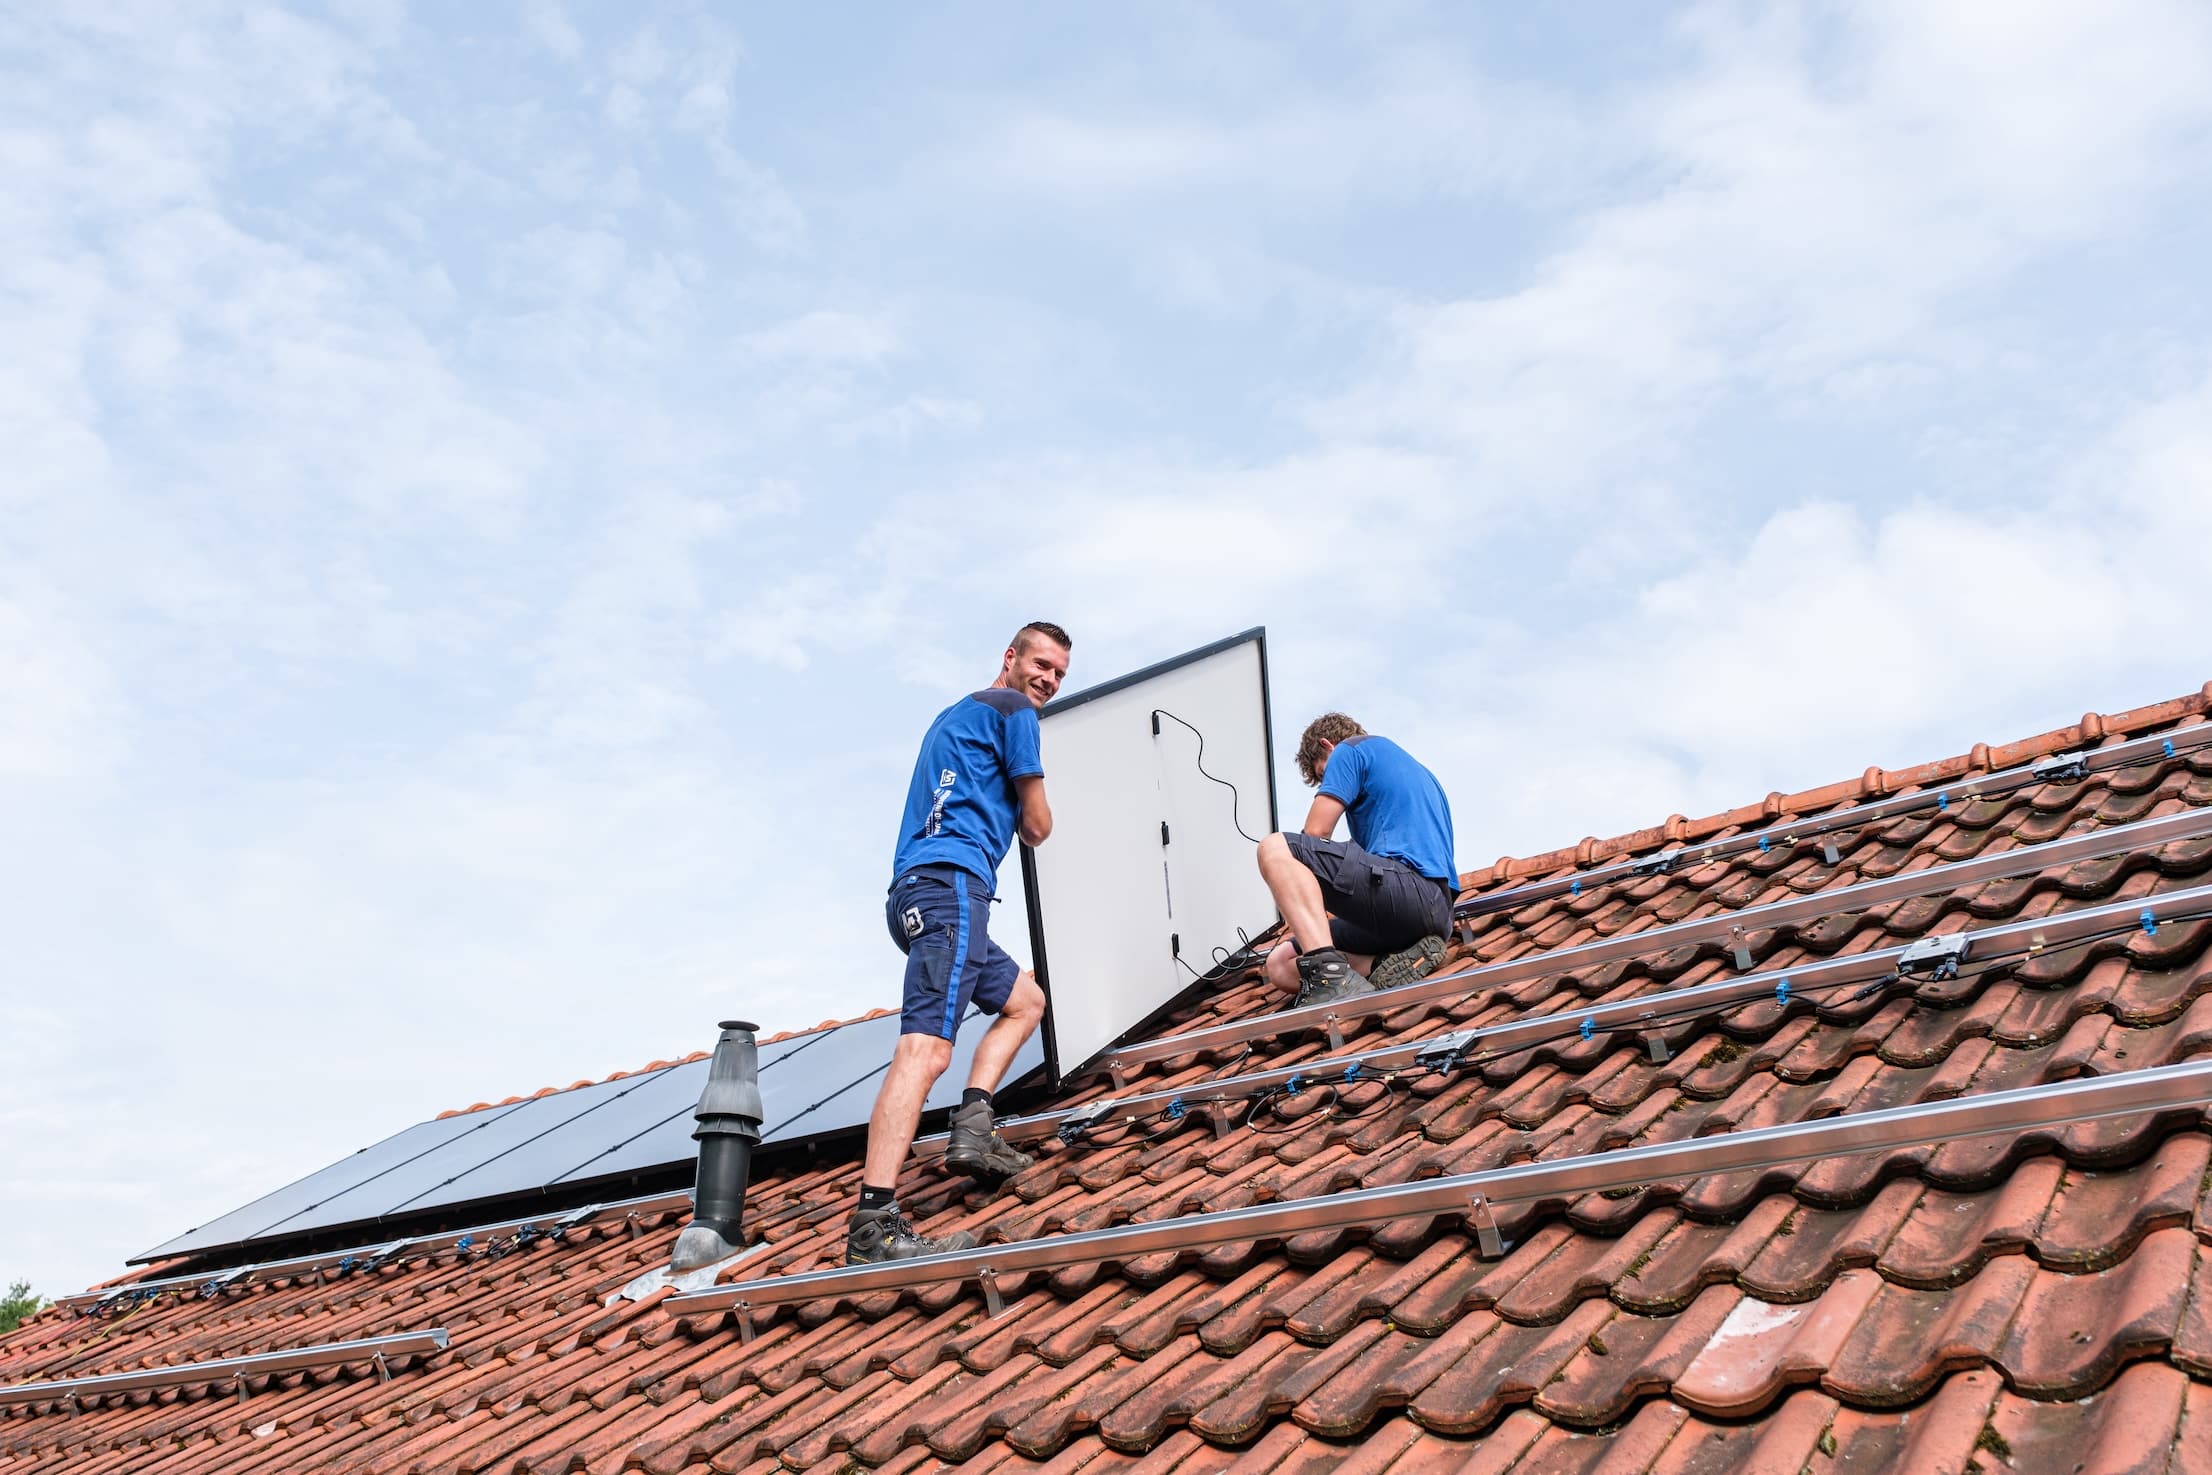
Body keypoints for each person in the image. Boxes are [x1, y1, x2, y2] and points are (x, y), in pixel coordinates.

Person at [846, 621, 1071, 1265]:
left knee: (1026, 1001)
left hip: (913, 892)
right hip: (954, 887)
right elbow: (1038, 825)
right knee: (926, 1049)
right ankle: (874, 1220)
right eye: (1041, 664)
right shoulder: (1013, 712)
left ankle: (973, 1124)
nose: (1048, 681)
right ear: (1011, 658)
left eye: (1058, 674)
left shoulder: (954, 716)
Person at [1255, 712, 1457, 1009]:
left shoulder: (1350, 750)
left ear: (1327, 746)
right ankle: (1384, 967)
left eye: (1324, 776)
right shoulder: (1419, 775)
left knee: (1275, 848)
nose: (1330, 783)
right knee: (1282, 963)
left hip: (1409, 891)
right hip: (1433, 915)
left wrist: (1298, 889)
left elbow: (1315, 834)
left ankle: (1330, 979)